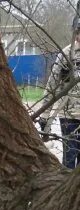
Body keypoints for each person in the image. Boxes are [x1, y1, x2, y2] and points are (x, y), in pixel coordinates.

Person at [36, 30, 80, 169]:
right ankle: (67, 189)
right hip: (69, 115)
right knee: (69, 157)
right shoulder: (67, 54)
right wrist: (44, 116)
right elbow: (52, 85)